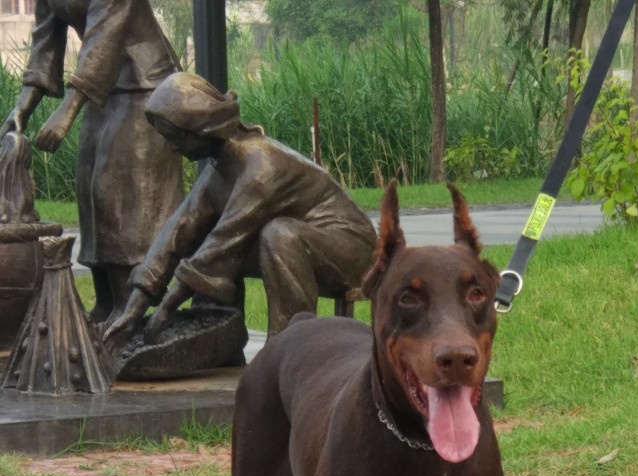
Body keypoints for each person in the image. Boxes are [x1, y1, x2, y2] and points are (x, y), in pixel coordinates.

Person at [104, 73, 377, 349]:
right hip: (303, 244)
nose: (173, 148)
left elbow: (223, 241)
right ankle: (218, 342)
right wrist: (132, 310)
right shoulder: (218, 170)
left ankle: (288, 349)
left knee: (277, 235)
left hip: (355, 251)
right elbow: (176, 232)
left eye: (176, 137)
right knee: (200, 235)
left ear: (201, 128)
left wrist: (166, 307)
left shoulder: (262, 166)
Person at [0, 0, 184, 321]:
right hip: (101, 88)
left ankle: (132, 306)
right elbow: (45, 46)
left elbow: (105, 32)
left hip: (146, 84)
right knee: (89, 187)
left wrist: (67, 112)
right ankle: (106, 303)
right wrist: (21, 110)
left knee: (117, 190)